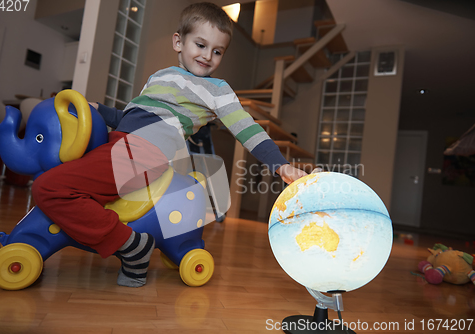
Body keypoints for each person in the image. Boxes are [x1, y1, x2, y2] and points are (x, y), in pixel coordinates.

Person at [32, 2, 307, 288]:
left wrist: (280, 165)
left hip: (143, 153)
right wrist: (97, 108)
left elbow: (247, 128)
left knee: (47, 187)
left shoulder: (217, 90)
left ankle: (129, 245)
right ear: (179, 41)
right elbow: (129, 117)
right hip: (120, 142)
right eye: (200, 44)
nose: (207, 56)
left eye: (217, 51)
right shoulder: (159, 77)